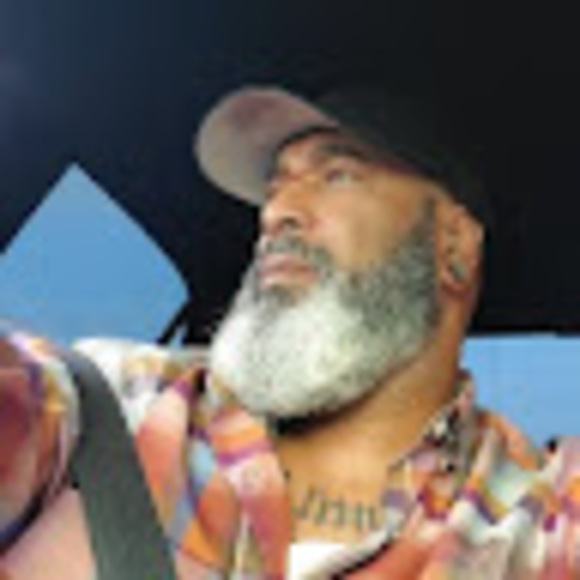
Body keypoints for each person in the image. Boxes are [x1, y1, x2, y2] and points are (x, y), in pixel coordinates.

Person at [0, 84, 579, 579]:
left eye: (337, 174)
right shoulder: (111, 405)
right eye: (275, 187)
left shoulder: (540, 517)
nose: (276, 213)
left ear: (454, 244)